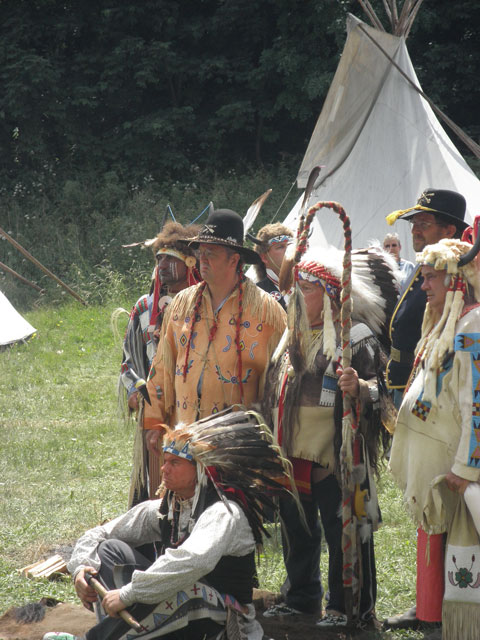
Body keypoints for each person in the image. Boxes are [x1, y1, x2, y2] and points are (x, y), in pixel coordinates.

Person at [42, 409, 295, 640]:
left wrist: (129, 594)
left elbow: (191, 562)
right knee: (109, 550)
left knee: (186, 587)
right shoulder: (167, 509)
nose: (164, 469)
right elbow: (99, 533)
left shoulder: (223, 513)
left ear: (200, 469)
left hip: (223, 622)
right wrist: (81, 569)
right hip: (179, 615)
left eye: (175, 463)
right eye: (165, 461)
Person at [261, 215, 398, 629]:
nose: (297, 296)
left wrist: (361, 388)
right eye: (298, 288)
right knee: (297, 530)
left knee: (346, 531)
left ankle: (350, 605)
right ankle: (301, 597)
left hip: (337, 460)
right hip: (292, 455)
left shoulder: (355, 337)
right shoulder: (292, 336)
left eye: (307, 289)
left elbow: (385, 394)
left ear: (331, 295)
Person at [388, 238, 480, 638]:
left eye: (430, 278)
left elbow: (476, 403)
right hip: (436, 468)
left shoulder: (472, 325)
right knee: (433, 543)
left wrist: (466, 467)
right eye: (422, 277)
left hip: (455, 471)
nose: (422, 285)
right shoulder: (442, 323)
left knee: (460, 553)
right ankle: (432, 619)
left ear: (455, 281)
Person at [143, 208, 287, 460]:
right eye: (201, 252)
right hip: (184, 437)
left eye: (211, 253)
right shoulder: (182, 305)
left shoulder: (268, 313)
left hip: (238, 446)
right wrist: (154, 420)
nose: (203, 259)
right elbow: (162, 366)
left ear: (234, 260)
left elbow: (280, 383)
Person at [118, 222, 201, 505]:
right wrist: (134, 391)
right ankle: (158, 526)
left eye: (170, 259)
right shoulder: (145, 307)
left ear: (190, 263)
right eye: (159, 259)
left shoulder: (203, 304)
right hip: (154, 409)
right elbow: (128, 360)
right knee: (157, 484)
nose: (162, 266)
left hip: (193, 409)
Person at [385, 188, 468, 411]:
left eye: (423, 224)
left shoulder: (458, 277)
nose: (415, 230)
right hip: (404, 382)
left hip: (430, 389)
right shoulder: (423, 266)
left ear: (449, 231)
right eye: (414, 224)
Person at [251, 223, 293, 309]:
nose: (288, 250)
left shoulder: (311, 279)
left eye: (289, 245)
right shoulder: (256, 294)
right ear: (264, 257)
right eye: (280, 247)